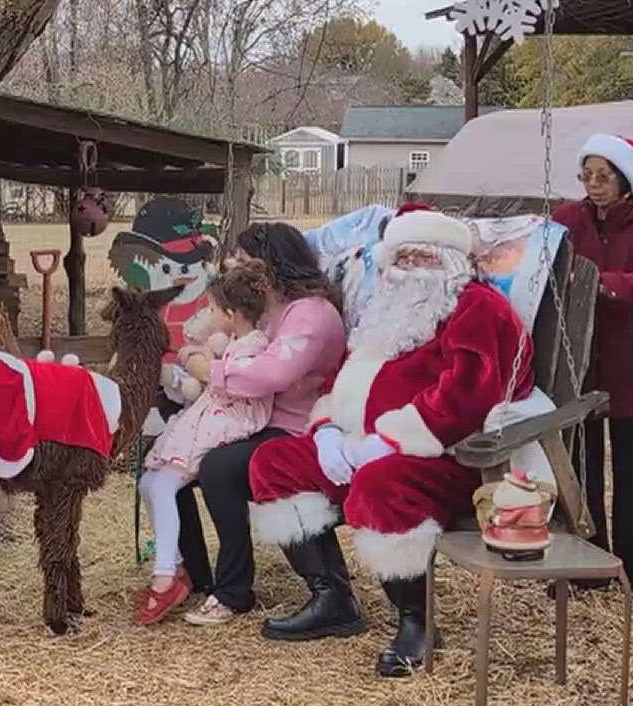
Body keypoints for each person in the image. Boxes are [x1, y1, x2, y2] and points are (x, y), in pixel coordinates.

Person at [246, 205, 531, 676]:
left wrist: (391, 441)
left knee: (381, 485)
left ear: (452, 261)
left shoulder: (479, 308)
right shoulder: (381, 310)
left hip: (446, 455)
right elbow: (340, 379)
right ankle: (332, 597)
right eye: (403, 257)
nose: (412, 268)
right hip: (357, 444)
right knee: (273, 462)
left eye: (426, 257)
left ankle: (417, 621)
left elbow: (470, 395)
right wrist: (329, 431)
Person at [170, 222, 346, 628]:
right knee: (175, 457)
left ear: (274, 265)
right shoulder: (271, 309)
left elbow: (273, 375)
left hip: (296, 426)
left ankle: (234, 590)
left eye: (247, 262)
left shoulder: (312, 315)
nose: (238, 270)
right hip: (256, 414)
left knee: (219, 468)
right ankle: (198, 575)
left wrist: (209, 369)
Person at [552, 133, 633, 591]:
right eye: (588, 175)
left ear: (626, 180)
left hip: (632, 367)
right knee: (581, 470)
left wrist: (596, 284)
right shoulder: (566, 220)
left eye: (604, 176)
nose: (594, 184)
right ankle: (587, 565)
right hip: (579, 362)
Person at [133, 260, 278, 625]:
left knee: (165, 484)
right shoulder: (232, 341)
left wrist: (198, 359)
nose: (208, 314)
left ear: (231, 313)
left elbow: (226, 382)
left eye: (213, 309)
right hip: (209, 415)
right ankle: (179, 567)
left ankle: (164, 576)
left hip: (225, 423)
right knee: (148, 482)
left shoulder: (255, 346)